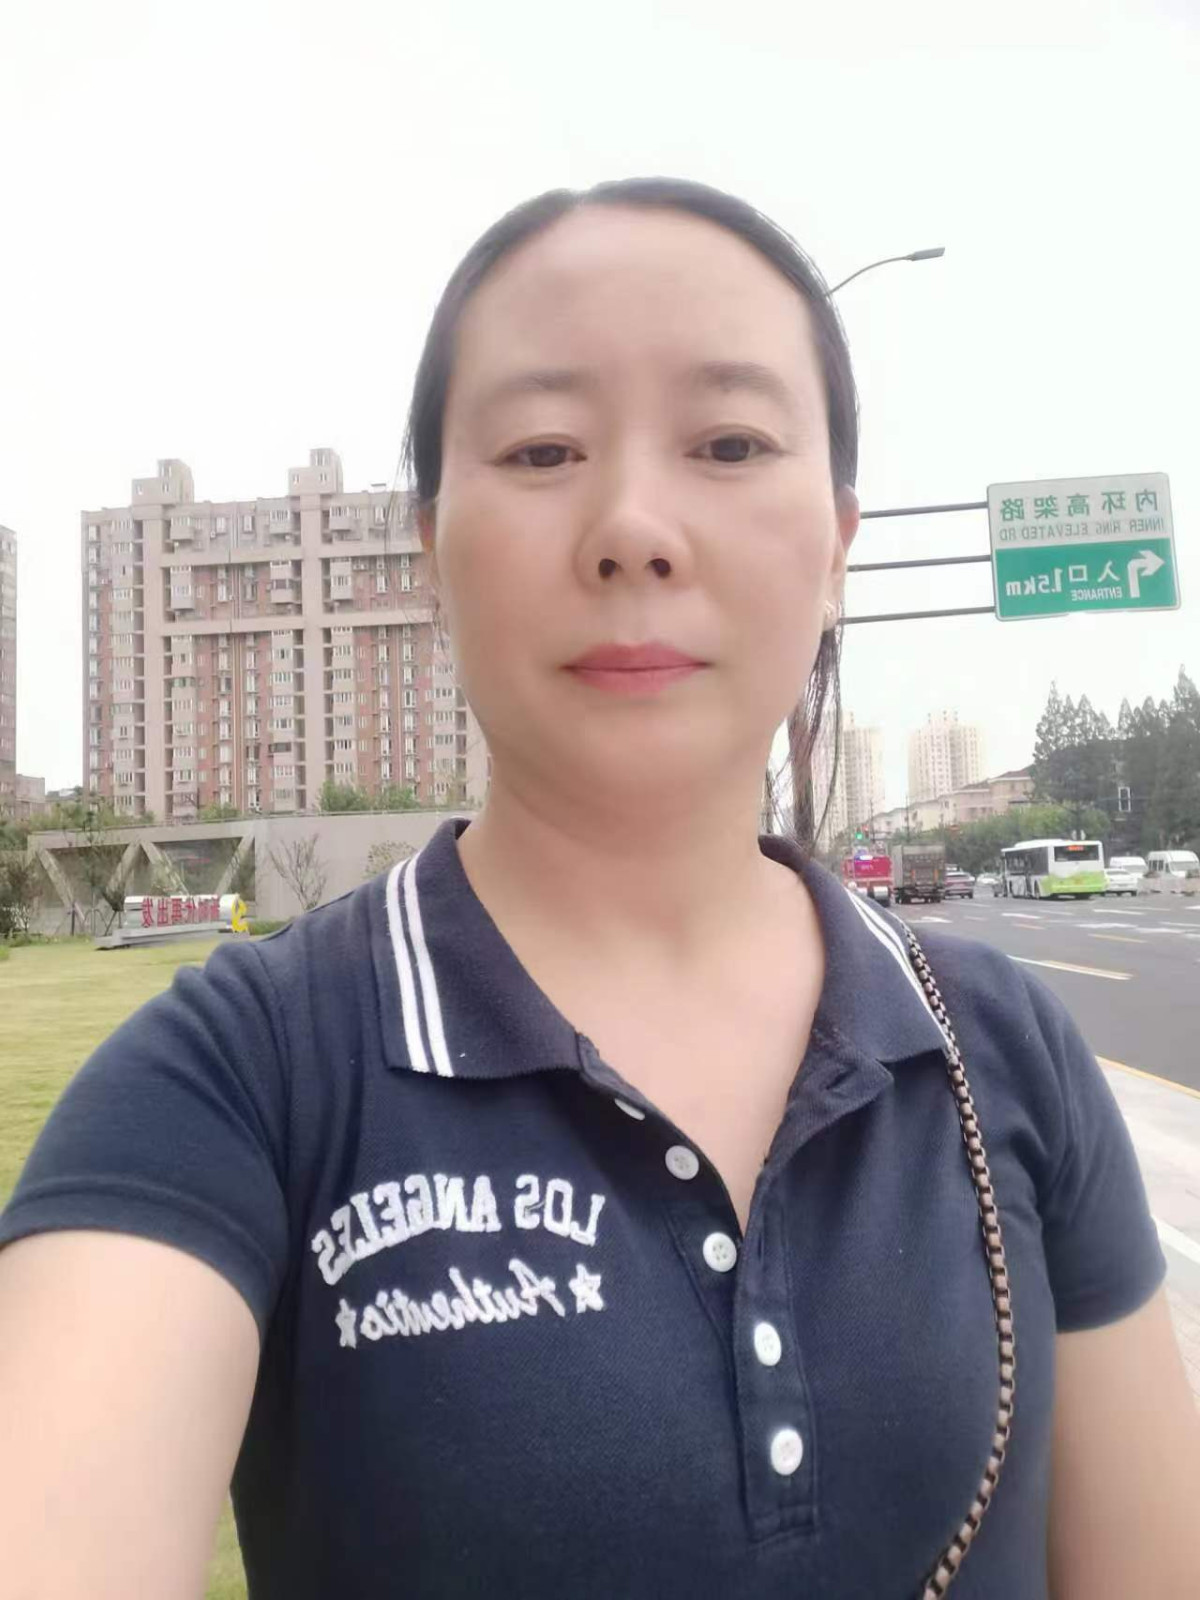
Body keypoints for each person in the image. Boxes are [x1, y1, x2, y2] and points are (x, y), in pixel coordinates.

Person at [1, 178, 1197, 1600]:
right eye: (544, 449)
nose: (633, 527)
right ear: (431, 547)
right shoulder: (241, 1079)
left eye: (730, 442)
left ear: (836, 547)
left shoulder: (1003, 1050)